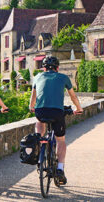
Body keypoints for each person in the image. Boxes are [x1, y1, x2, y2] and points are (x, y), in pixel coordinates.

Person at [29, 56, 83, 185]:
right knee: (61, 140)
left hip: (41, 111)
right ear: (57, 68)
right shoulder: (63, 77)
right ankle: (59, 169)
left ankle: (40, 145)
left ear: (44, 67)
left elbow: (33, 96)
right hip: (57, 112)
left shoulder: (37, 77)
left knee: (39, 121)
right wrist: (79, 108)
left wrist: (31, 107)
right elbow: (73, 96)